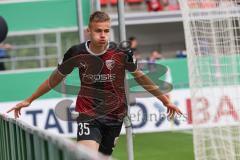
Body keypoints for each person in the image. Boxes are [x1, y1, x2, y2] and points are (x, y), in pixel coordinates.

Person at [6, 11, 182, 158]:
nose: (103, 35)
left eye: (106, 30)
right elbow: (55, 79)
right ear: (88, 31)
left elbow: (141, 77)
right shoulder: (76, 52)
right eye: (98, 31)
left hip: (115, 116)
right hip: (88, 114)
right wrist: (30, 99)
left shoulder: (121, 53)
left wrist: (165, 100)